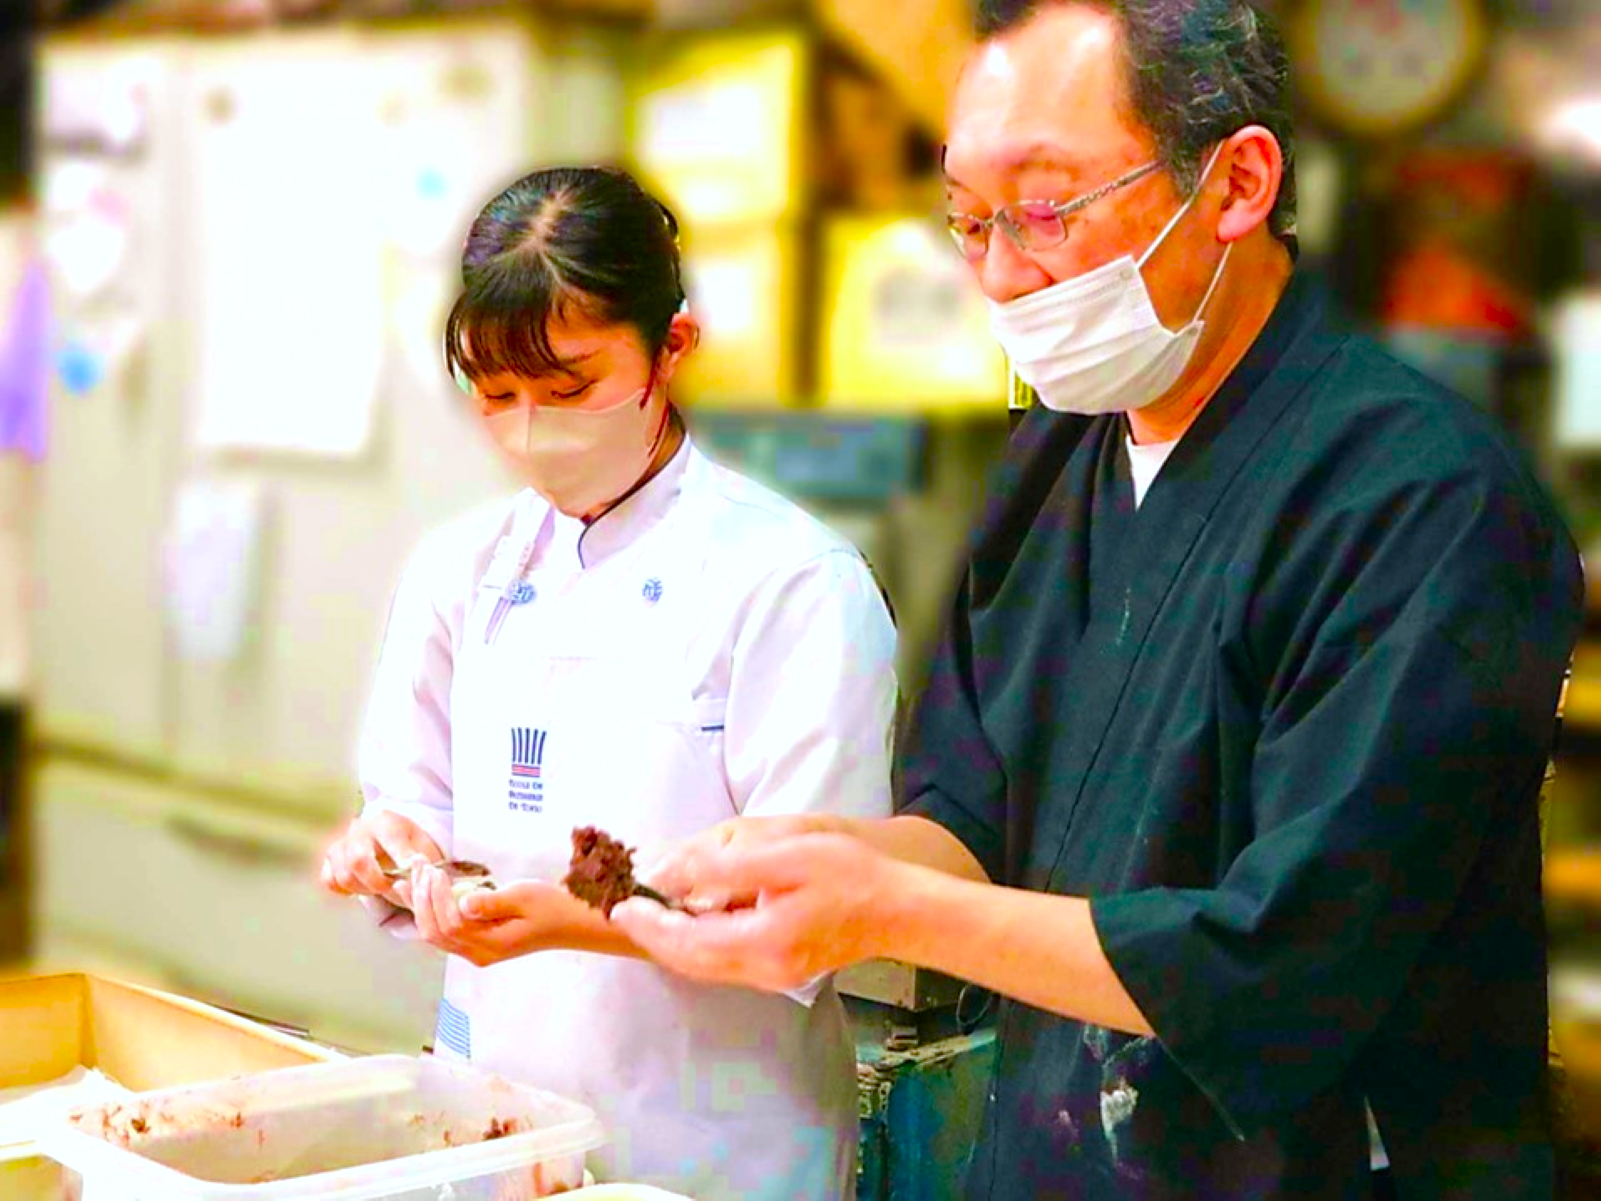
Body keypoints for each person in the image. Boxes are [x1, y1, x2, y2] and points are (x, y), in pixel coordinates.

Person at [612, 2, 1585, 1198]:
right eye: (967, 220)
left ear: (1233, 184)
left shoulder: (1422, 504)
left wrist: (888, 908)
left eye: (1045, 207)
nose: (1002, 273)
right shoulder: (1053, 462)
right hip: (1060, 1152)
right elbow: (972, 813)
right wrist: (819, 864)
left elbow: (1280, 956)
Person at [319, 165, 896, 1200]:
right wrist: (393, 850)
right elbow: (411, 800)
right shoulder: (463, 570)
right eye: (497, 396)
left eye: (569, 386)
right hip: (492, 1125)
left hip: (710, 1146)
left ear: (670, 348)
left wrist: (579, 919)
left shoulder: (792, 584)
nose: (531, 429)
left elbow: (813, 915)